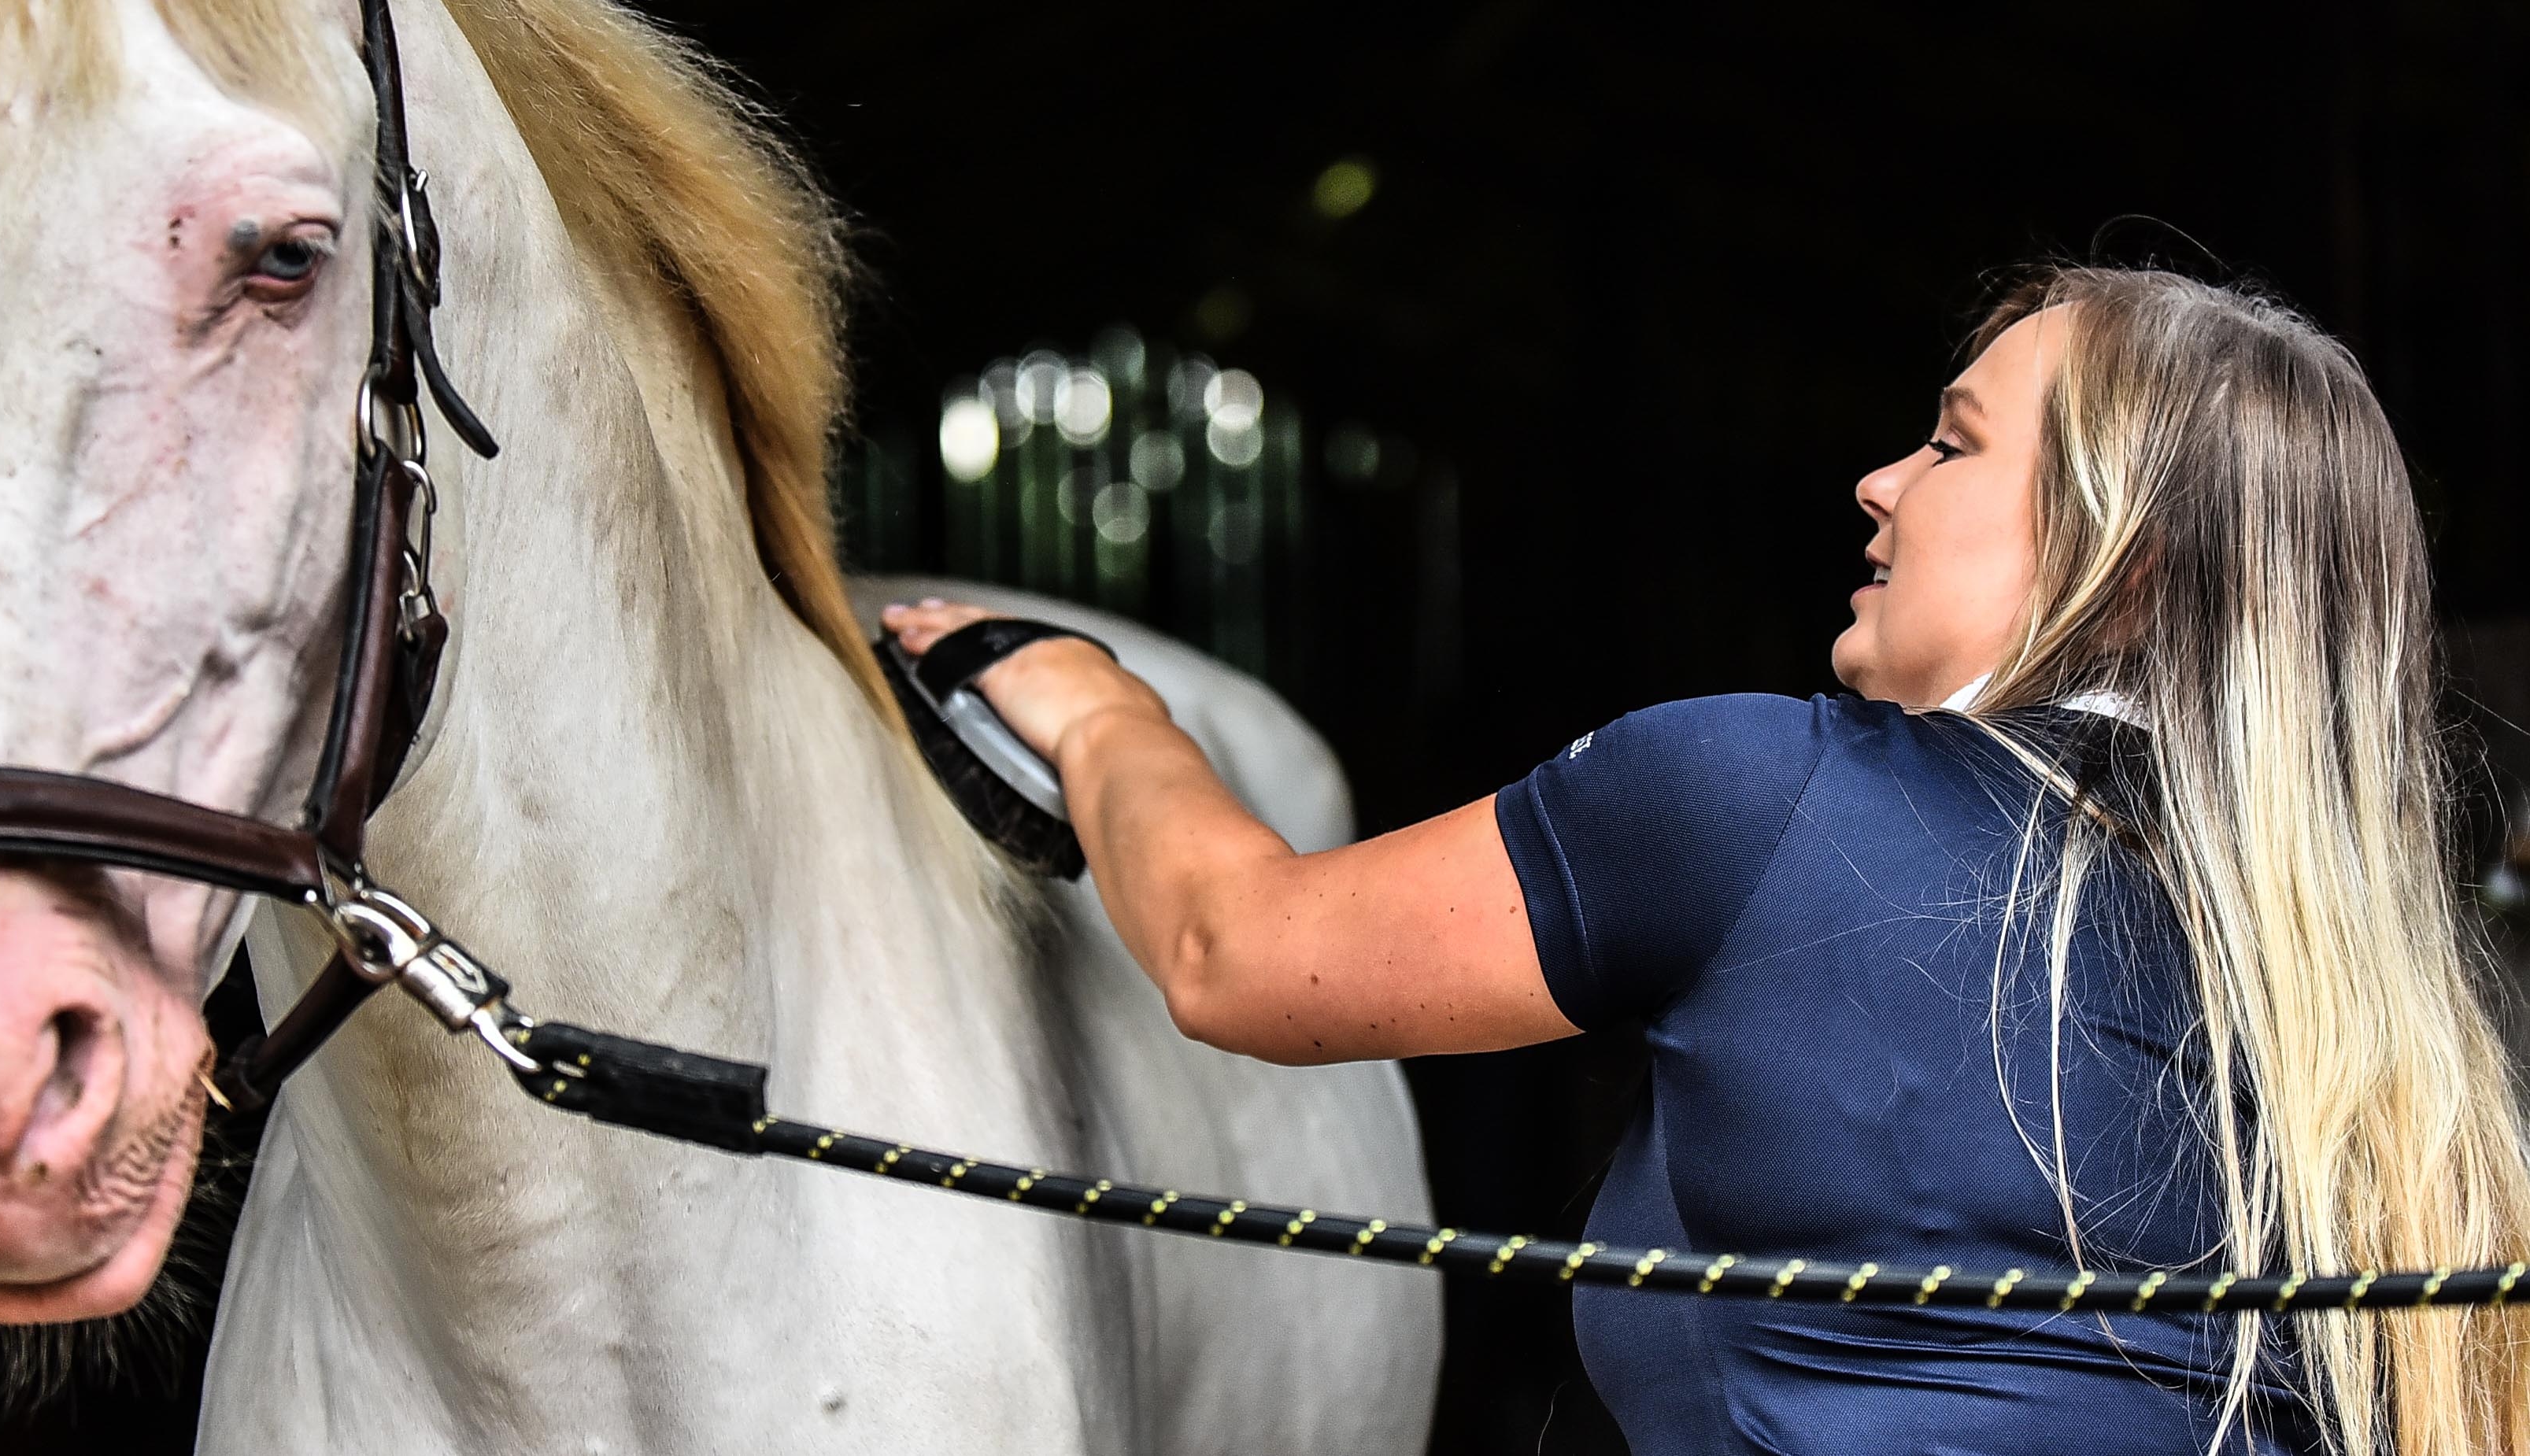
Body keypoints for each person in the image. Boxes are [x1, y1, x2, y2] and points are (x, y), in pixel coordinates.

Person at [884, 267, 2530, 1456]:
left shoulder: (1761, 795)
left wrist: (1097, 709)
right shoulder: (2380, 1026)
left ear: (2127, 557)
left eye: (1954, 447)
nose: (1880, 483)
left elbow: (1233, 950)